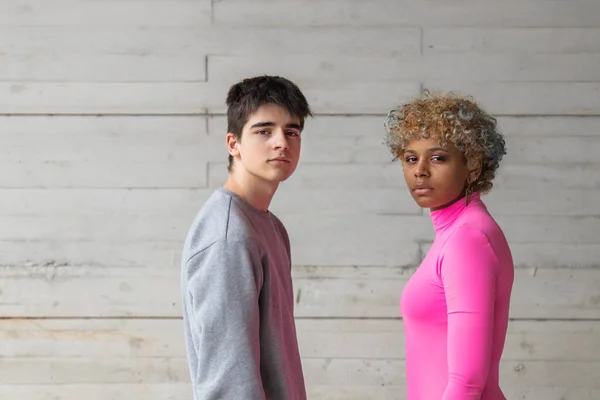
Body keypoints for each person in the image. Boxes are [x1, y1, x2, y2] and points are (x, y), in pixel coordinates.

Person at [180, 75, 312, 400]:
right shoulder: (228, 237)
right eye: (264, 131)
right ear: (233, 144)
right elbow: (228, 381)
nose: (281, 141)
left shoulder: (270, 227)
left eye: (291, 131)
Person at [384, 91, 514, 400]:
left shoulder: (467, 240)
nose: (420, 170)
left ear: (473, 165)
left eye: (438, 157)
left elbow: (468, 381)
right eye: (411, 158)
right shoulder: (460, 232)